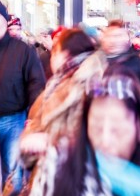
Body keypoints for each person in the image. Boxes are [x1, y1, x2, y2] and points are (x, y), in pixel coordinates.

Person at [0, 0, 45, 196]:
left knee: (13, 171)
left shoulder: (23, 50)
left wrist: (34, 115)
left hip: (13, 118)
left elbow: (36, 83)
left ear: (6, 22)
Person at [20, 28, 106, 159]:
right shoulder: (61, 83)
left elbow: (85, 136)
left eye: (55, 52)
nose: (52, 58)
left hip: (68, 168)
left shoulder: (81, 88)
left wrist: (47, 142)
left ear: (65, 55)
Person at [100, 20, 140, 112]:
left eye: (118, 36)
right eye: (109, 36)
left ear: (127, 39)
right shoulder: (96, 63)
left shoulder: (138, 65)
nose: (113, 40)